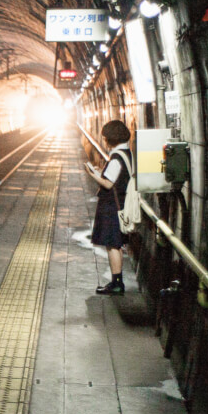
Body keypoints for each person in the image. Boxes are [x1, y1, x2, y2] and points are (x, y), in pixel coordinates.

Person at [85, 120, 133, 295]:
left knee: (112, 245)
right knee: (117, 244)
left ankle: (117, 283)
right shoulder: (127, 153)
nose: (104, 140)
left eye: (105, 137)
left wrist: (93, 174)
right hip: (120, 203)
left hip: (111, 207)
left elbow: (107, 183)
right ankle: (117, 281)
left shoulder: (116, 158)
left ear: (111, 138)